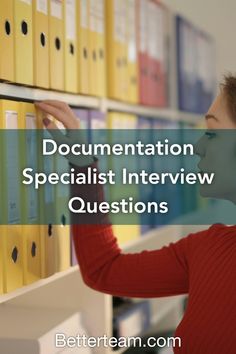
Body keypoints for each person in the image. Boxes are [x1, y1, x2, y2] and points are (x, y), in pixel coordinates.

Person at [35, 75, 236, 354]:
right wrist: (82, 162)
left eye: (212, 133)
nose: (197, 146)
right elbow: (104, 270)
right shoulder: (210, 247)